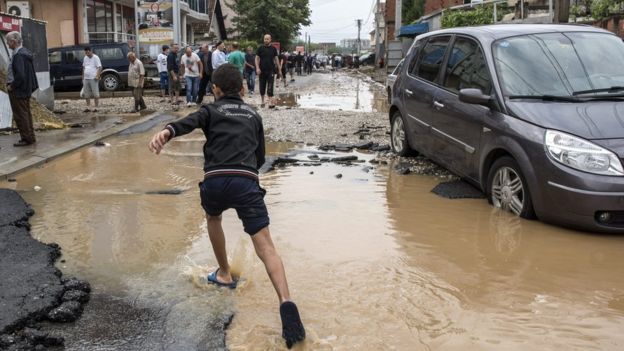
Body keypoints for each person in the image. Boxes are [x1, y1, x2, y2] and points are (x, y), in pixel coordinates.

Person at [148, 63, 306, 349]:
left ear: (215, 90)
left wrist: (167, 132)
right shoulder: (253, 114)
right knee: (266, 245)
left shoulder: (210, 111)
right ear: (243, 89)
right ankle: (286, 300)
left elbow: (189, 121)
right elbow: (259, 158)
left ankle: (223, 274)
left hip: (216, 181)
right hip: (246, 182)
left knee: (213, 218)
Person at [5, 31, 38, 147]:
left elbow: (20, 75)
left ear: (13, 42)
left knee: (20, 115)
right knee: (26, 113)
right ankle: (30, 137)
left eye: (8, 42)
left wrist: (11, 86)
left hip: (18, 90)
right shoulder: (24, 52)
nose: (7, 45)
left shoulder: (18, 55)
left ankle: (26, 139)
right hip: (25, 89)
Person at [255, 34, 280, 108]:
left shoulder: (273, 49)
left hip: (271, 70)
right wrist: (257, 68)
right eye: (265, 39)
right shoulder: (260, 48)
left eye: (267, 39)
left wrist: (279, 69)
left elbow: (276, 59)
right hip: (262, 70)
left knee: (270, 86)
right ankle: (262, 101)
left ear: (270, 39)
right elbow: (256, 58)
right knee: (262, 86)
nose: (266, 40)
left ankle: (270, 102)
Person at [82, 46, 102, 112]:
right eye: (86, 52)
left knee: (95, 93)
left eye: (88, 51)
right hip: (86, 78)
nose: (87, 53)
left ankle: (96, 107)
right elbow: (84, 67)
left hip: (93, 78)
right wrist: (83, 78)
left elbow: (99, 67)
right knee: (86, 93)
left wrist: (97, 76)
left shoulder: (96, 57)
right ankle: (88, 107)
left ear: (91, 51)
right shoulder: (85, 58)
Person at [167, 44, 182, 108]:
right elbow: (170, 67)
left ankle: (177, 100)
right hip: (172, 73)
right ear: (172, 48)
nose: (176, 49)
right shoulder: (170, 56)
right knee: (172, 86)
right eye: (175, 48)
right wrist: (174, 76)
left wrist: (180, 74)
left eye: (177, 48)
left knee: (177, 86)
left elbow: (178, 65)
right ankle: (172, 100)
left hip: (177, 72)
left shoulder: (176, 55)